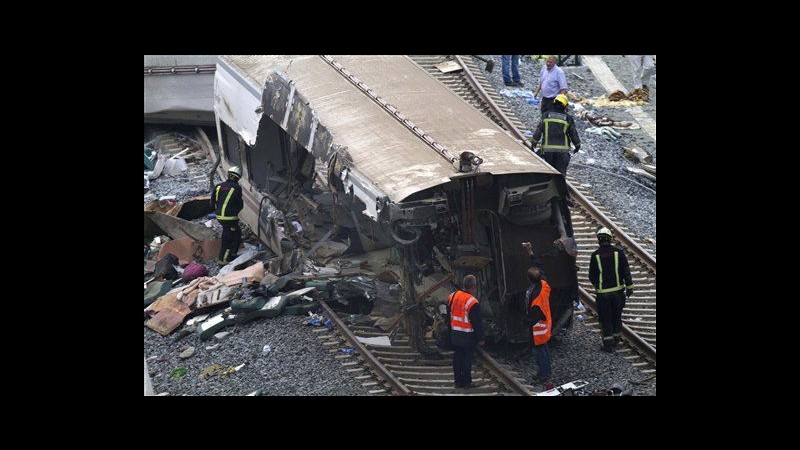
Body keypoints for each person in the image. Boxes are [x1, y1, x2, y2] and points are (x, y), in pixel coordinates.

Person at [588, 227, 634, 352]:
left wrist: (598, 286)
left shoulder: (595, 255)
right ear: (610, 239)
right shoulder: (618, 253)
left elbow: (591, 276)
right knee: (616, 316)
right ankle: (616, 339)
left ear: (599, 240)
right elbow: (626, 271)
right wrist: (629, 287)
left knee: (606, 319)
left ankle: (608, 345)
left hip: (603, 295)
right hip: (618, 293)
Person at [521, 242, 552, 386]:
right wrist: (530, 252)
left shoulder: (536, 298)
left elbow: (532, 317)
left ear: (529, 280)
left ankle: (544, 376)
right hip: (545, 323)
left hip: (538, 328)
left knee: (540, 352)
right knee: (544, 349)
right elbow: (539, 266)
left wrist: (524, 323)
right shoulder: (544, 283)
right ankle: (544, 373)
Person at [448, 274, 485, 389]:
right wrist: (481, 338)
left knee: (457, 358)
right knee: (467, 360)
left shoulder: (452, 296)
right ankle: (467, 382)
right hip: (467, 335)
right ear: (473, 286)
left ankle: (458, 382)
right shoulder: (473, 302)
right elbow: (477, 322)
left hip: (455, 333)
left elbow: (448, 314)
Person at [530, 93, 581, 176]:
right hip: (562, 152)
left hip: (548, 150)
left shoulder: (546, 115)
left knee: (549, 173)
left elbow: (539, 131)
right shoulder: (568, 118)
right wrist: (577, 145)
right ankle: (560, 188)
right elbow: (573, 133)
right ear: (565, 106)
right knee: (560, 174)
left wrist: (534, 143)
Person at [210, 166, 244, 264]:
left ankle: (233, 254)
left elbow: (212, 203)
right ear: (237, 178)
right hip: (230, 218)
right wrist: (233, 212)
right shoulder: (237, 188)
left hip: (219, 217)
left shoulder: (219, 186)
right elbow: (240, 205)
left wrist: (218, 212)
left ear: (228, 175)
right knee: (229, 238)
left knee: (237, 233)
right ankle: (223, 260)